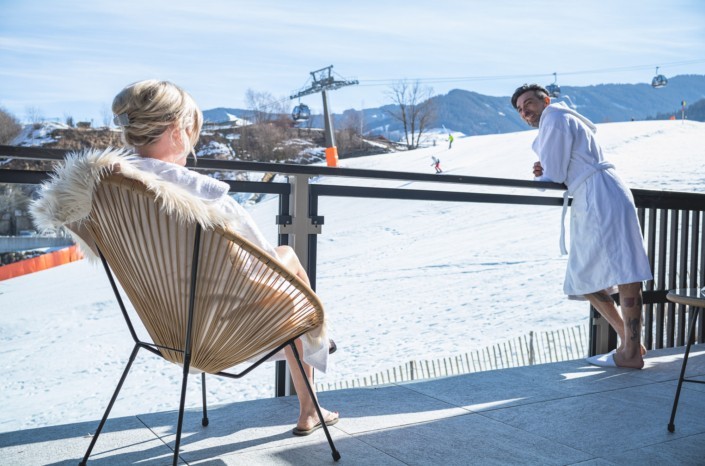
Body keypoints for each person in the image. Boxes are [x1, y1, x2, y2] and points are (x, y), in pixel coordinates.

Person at [110, 80, 339, 434]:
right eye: (191, 131)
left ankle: (315, 346)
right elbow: (258, 274)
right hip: (225, 332)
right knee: (291, 276)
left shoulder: (112, 196)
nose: (193, 140)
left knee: (286, 265)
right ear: (176, 131)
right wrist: (289, 263)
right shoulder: (203, 199)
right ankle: (313, 377)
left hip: (170, 328)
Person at [511, 83, 653, 369]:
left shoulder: (554, 118)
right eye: (520, 110)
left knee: (594, 275)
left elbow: (554, 175)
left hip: (596, 197)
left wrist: (541, 174)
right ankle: (630, 343)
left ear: (546, 100)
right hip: (606, 191)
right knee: (608, 270)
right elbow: (562, 167)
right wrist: (547, 169)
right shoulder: (564, 119)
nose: (525, 111)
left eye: (529, 103)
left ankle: (629, 351)